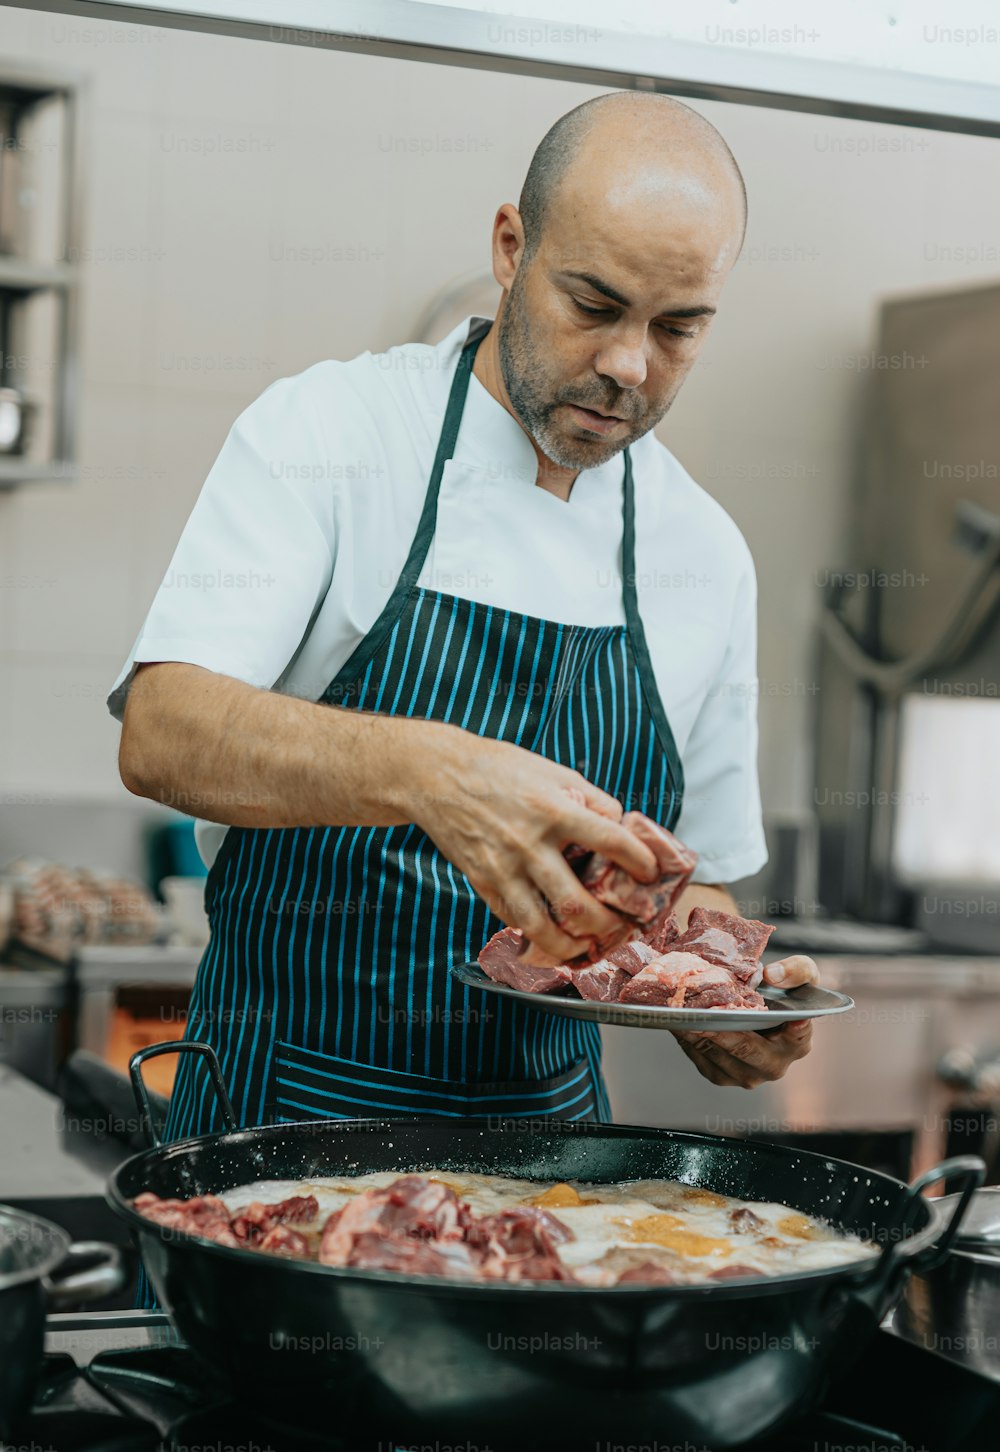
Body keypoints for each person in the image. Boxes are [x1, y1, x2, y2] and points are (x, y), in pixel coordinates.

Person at [109, 91, 817, 1144]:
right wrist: (436, 775)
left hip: (559, 1172)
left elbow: (694, 877)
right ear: (509, 247)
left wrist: (717, 994)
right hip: (280, 1132)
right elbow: (162, 730)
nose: (628, 364)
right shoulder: (333, 434)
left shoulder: (701, 552)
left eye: (676, 328)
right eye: (593, 303)